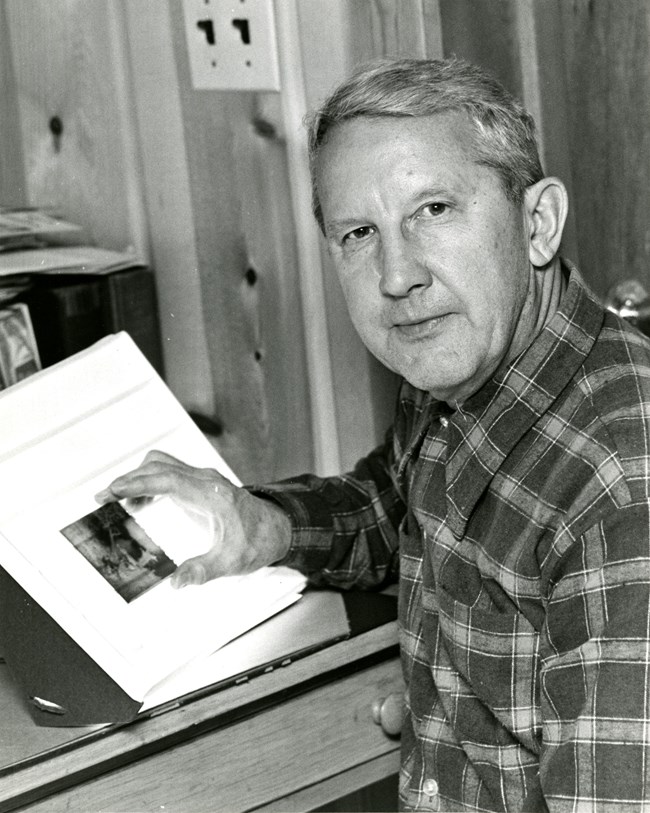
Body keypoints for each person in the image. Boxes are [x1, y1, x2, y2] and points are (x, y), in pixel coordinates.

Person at [97, 58, 650, 811]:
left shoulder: (619, 488)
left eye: (434, 210)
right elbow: (403, 501)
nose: (397, 275)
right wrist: (268, 523)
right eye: (360, 232)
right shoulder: (461, 360)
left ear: (537, 223)